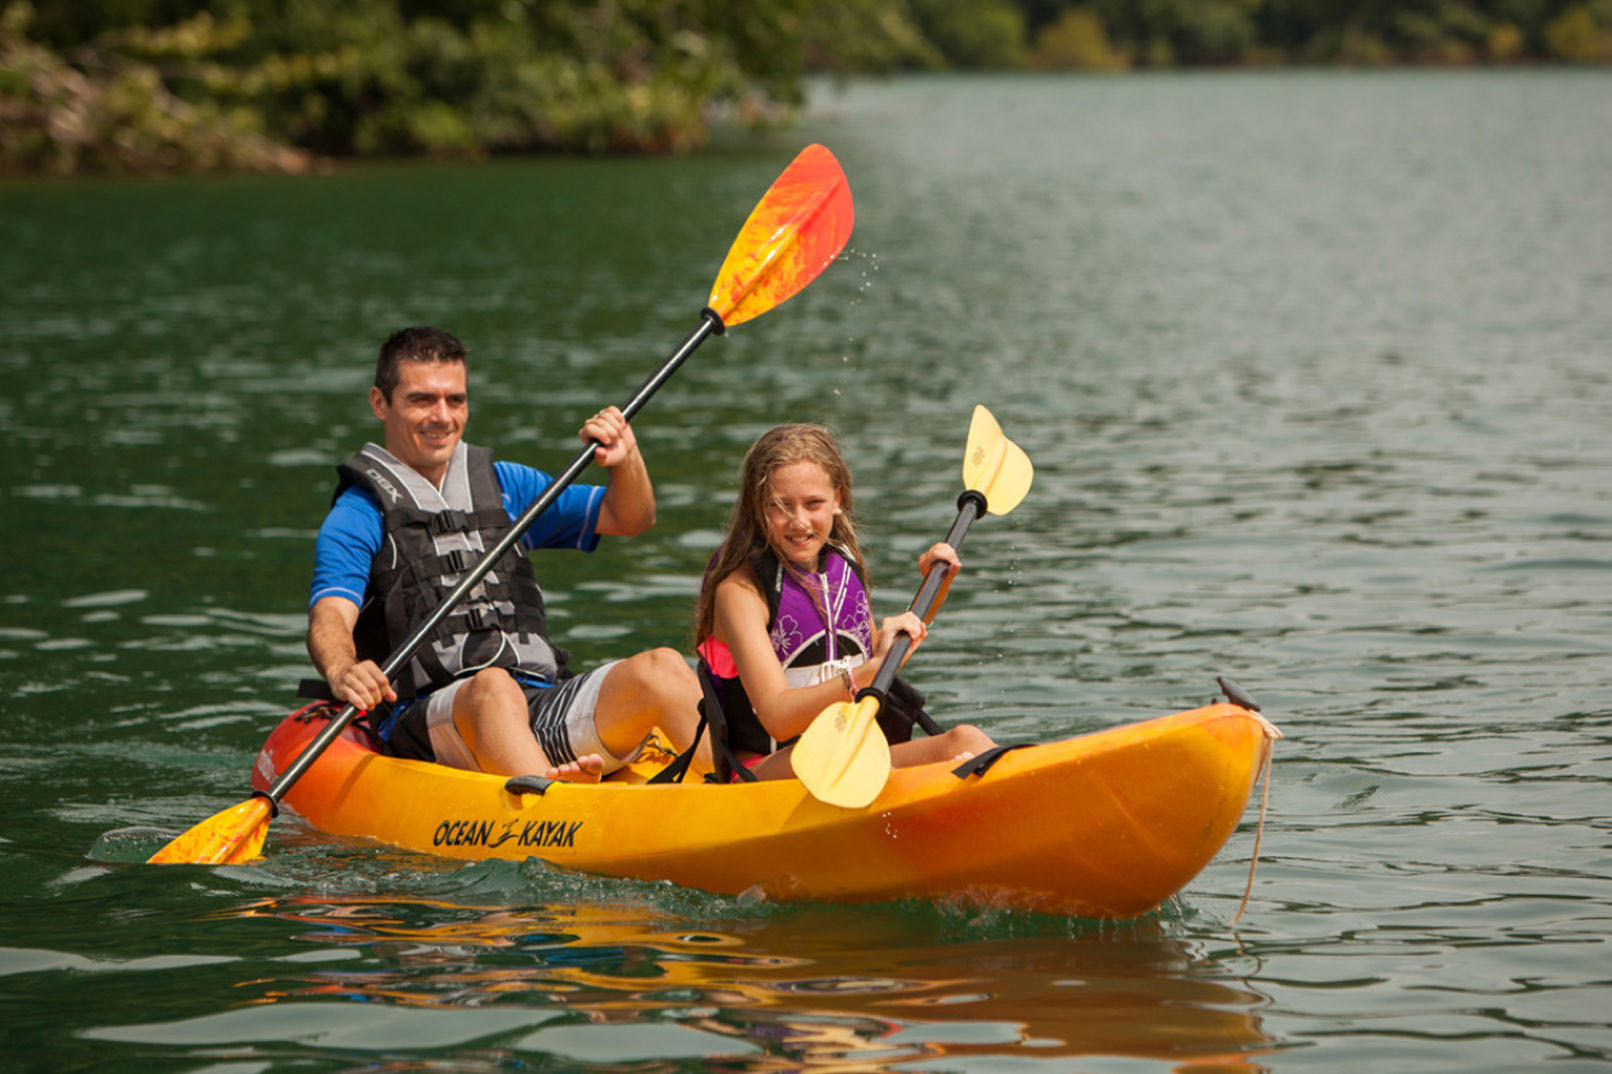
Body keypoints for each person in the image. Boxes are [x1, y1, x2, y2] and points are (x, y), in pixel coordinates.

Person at [307, 325, 704, 783]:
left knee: (663, 668)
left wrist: (626, 458)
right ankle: (556, 808)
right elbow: (331, 615)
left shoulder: (507, 486)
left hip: (537, 703)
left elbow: (628, 518)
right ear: (381, 403)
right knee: (492, 686)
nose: (442, 416)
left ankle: (745, 787)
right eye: (422, 400)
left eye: (455, 400)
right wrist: (342, 668)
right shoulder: (359, 513)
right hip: (432, 717)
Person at [691, 423, 994, 781]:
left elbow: (871, 652)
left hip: (849, 749)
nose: (799, 521)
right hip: (768, 769)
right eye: (781, 506)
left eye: (813, 503)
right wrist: (866, 674)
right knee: (838, 755)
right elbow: (777, 715)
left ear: (839, 498)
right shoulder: (741, 592)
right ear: (759, 507)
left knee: (967, 740)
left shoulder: (842, 564)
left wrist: (937, 583)